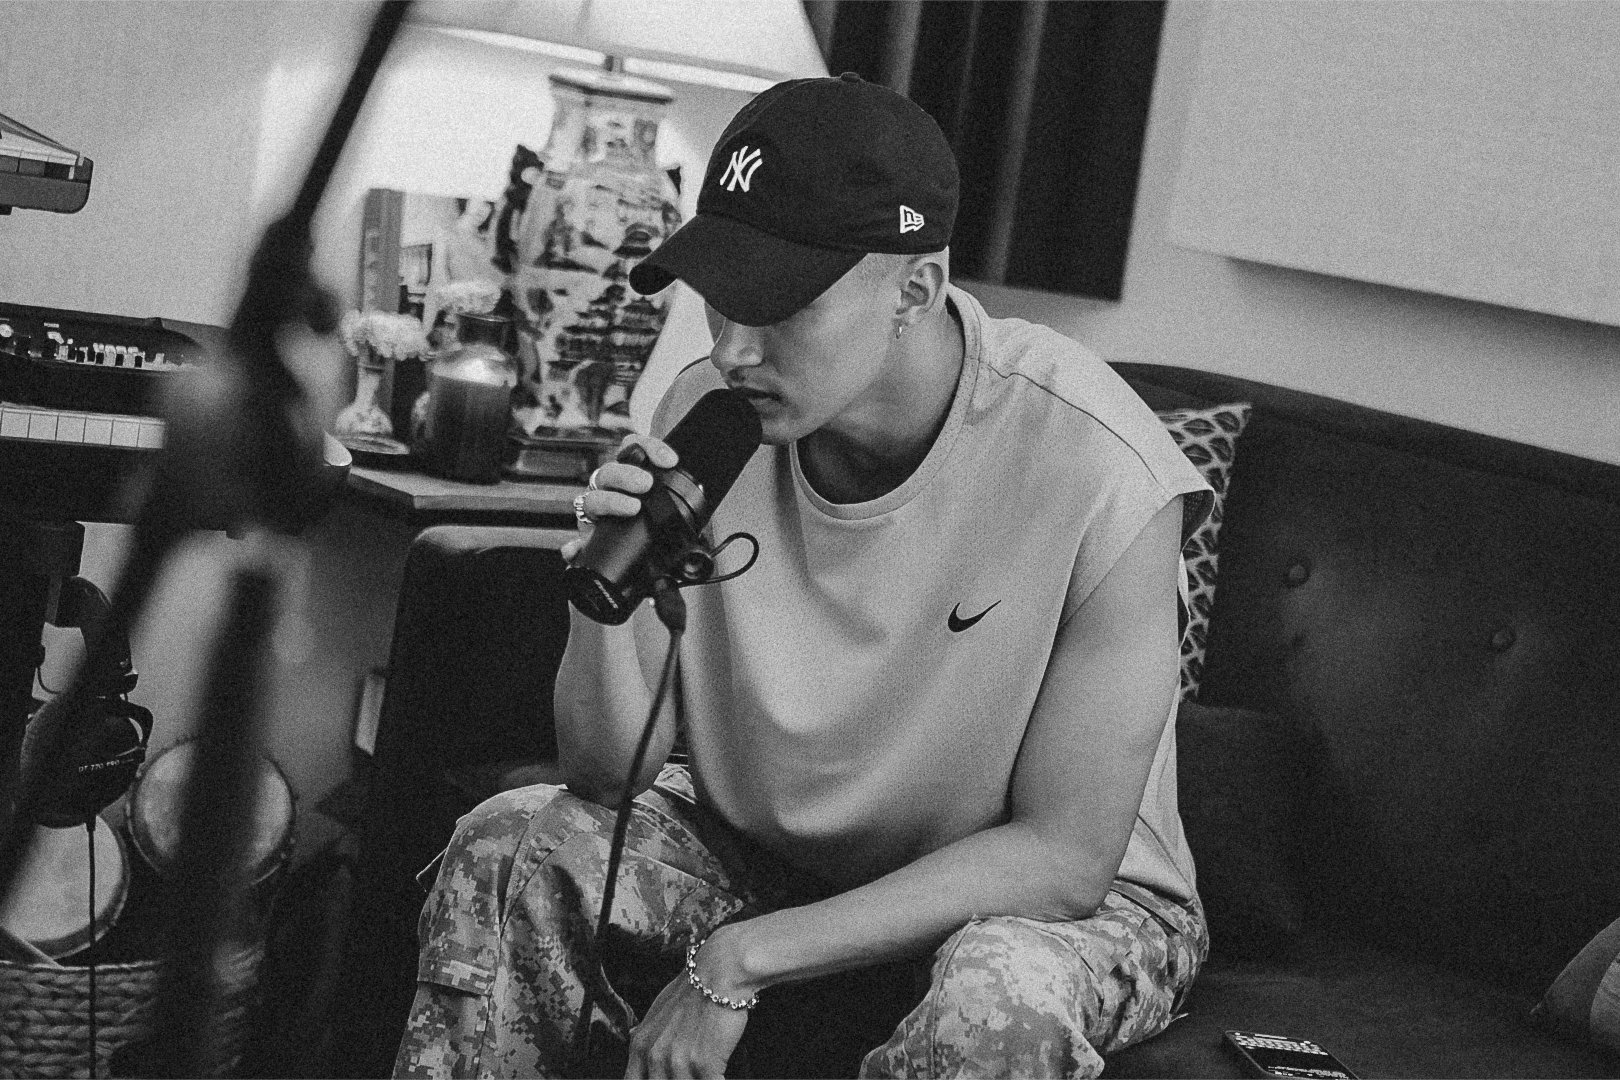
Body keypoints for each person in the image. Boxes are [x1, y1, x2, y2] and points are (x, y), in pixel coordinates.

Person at [395, 72, 1213, 1080]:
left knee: (996, 1001)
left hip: (1051, 903)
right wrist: (602, 591)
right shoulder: (708, 414)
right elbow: (604, 775)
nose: (735, 348)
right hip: (780, 854)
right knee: (513, 842)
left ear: (915, 288)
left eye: (780, 306)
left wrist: (739, 960)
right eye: (721, 299)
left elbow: (1064, 858)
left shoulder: (1102, 469)